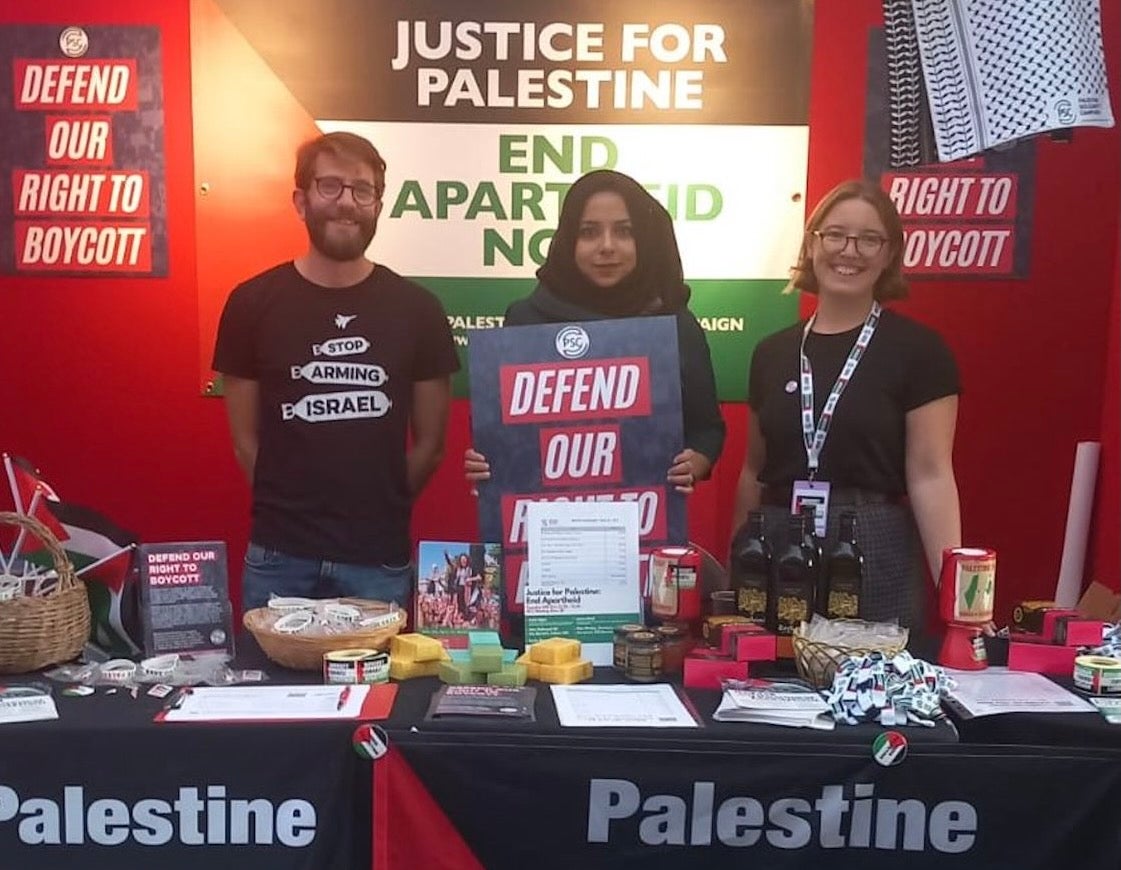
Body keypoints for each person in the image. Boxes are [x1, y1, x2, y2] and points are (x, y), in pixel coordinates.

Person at [212, 132, 459, 613]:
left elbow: (431, 447)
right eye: (330, 186)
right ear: (301, 201)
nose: (346, 203)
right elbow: (245, 442)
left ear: (378, 206)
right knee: (275, 689)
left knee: (380, 689)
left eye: (361, 190)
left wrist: (378, 505)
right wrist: (293, 510)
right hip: (279, 556)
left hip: (377, 560)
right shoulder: (251, 304)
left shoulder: (418, 310)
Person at [730, 179, 961, 633]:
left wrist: (956, 601)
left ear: (891, 252)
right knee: (771, 683)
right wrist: (736, 558)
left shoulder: (920, 351)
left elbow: (932, 477)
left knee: (873, 692)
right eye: (835, 234)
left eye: (869, 239)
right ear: (812, 243)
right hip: (777, 545)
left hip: (872, 546)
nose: (849, 251)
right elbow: (752, 472)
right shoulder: (772, 353)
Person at [465, 169, 725, 492]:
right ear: (567, 240)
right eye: (588, 232)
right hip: (543, 523)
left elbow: (708, 429)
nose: (606, 246)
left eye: (624, 231)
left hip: (645, 524)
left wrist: (695, 462)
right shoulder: (525, 320)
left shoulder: (676, 324)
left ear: (645, 238)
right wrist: (485, 461)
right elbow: (497, 430)